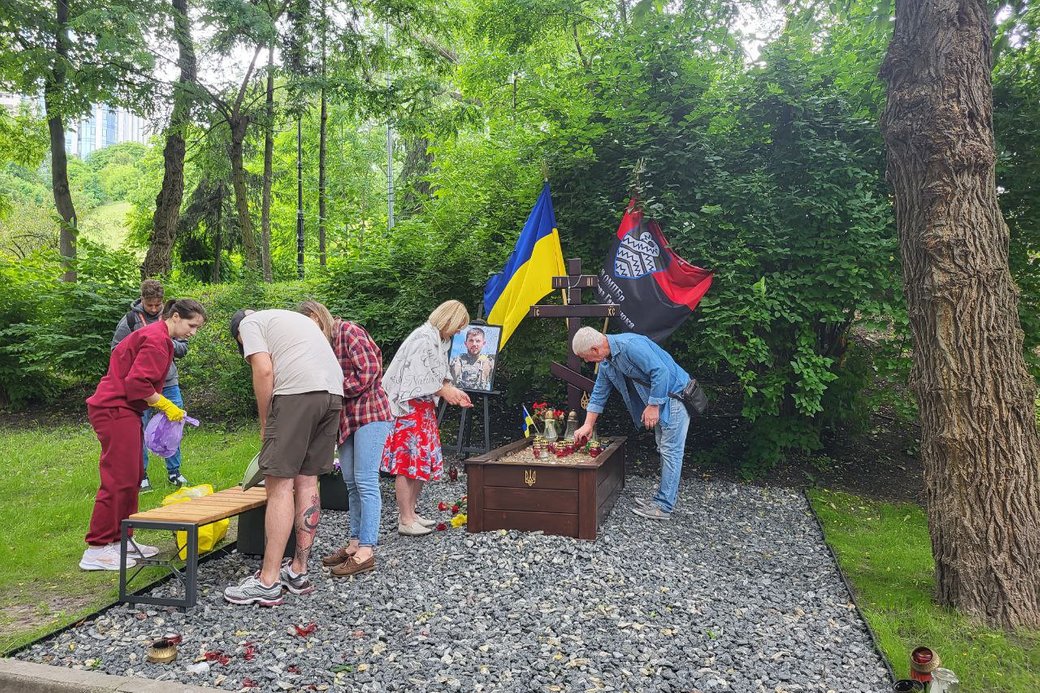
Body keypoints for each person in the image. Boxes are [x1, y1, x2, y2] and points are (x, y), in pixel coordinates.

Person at [224, 308, 344, 607]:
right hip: (332, 394)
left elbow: (264, 370)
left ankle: (267, 581)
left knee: (278, 486)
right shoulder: (293, 319)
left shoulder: (249, 323)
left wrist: (266, 421)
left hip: (297, 394)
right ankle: (298, 572)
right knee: (307, 483)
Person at [80, 299, 207, 571]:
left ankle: (120, 542)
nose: (193, 332)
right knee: (118, 478)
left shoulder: (158, 337)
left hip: (126, 410)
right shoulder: (157, 340)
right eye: (191, 325)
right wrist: (165, 404)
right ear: (175, 317)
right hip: (114, 408)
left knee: (134, 476)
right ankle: (96, 548)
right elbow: (137, 384)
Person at [297, 301, 392, 578]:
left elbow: (369, 370)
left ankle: (367, 550)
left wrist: (333, 392)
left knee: (365, 479)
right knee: (350, 481)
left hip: (371, 413)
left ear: (316, 316)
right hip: (347, 418)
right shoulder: (322, 342)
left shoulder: (348, 331)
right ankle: (353, 543)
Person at [571, 326, 691, 521]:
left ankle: (663, 507)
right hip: (663, 400)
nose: (586, 361)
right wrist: (588, 425)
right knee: (664, 448)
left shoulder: (630, 345)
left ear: (595, 349)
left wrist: (653, 405)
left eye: (585, 357)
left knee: (671, 452)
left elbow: (660, 372)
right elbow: (600, 392)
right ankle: (660, 499)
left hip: (674, 398)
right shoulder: (607, 362)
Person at [381, 300, 473, 536]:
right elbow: (417, 379)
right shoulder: (423, 339)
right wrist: (445, 392)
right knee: (407, 463)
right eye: (459, 325)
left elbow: (439, 376)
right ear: (449, 320)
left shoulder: (439, 340)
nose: (460, 331)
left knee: (420, 461)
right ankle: (405, 518)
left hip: (423, 408)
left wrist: (453, 390)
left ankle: (412, 513)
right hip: (408, 409)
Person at [111, 279, 191, 491]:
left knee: (173, 424)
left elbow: (183, 349)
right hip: (142, 385)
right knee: (141, 428)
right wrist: (146, 344)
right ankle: (142, 475)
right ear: (142, 300)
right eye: (150, 305)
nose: (154, 309)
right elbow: (117, 350)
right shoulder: (130, 320)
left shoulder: (173, 319)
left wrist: (164, 341)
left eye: (157, 304)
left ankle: (174, 472)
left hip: (168, 382)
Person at [448, 326, 495, 391]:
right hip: (456, 397)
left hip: (480, 397)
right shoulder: (455, 362)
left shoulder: (489, 363)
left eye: (478, 341)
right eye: (471, 340)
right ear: (465, 343)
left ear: (483, 343)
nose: (474, 344)